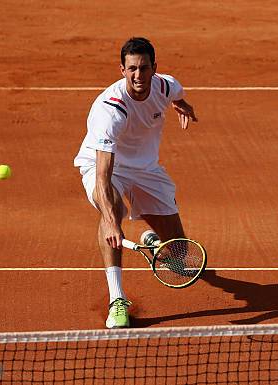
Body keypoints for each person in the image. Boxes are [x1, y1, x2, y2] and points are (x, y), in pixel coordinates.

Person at [73, 37, 198, 328]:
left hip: (146, 170)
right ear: (121, 69)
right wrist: (110, 219)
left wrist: (182, 104)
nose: (137, 76)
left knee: (179, 257)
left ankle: (154, 246)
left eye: (143, 68)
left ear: (154, 68)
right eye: (131, 69)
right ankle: (117, 299)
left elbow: (176, 94)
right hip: (104, 165)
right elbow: (104, 175)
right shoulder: (110, 110)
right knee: (112, 209)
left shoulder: (165, 86)